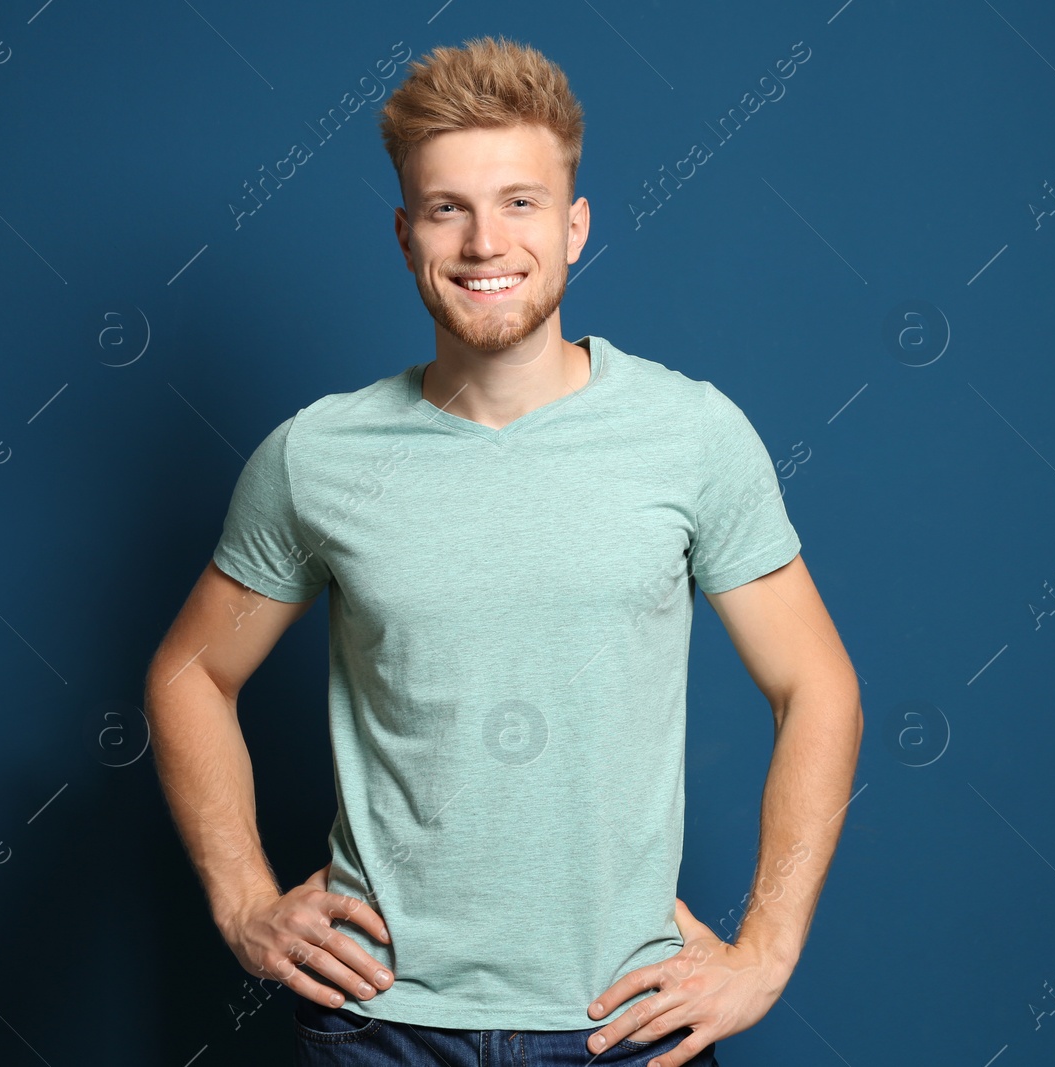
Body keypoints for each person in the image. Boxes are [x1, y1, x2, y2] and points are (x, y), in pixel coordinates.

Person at [146, 34, 862, 1067]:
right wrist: (246, 900)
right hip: (378, 1023)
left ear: (574, 228)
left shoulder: (691, 434)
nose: (486, 242)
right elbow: (189, 672)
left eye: (520, 203)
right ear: (405, 234)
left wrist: (766, 950)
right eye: (449, 208)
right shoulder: (317, 456)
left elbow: (817, 685)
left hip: (621, 1021)